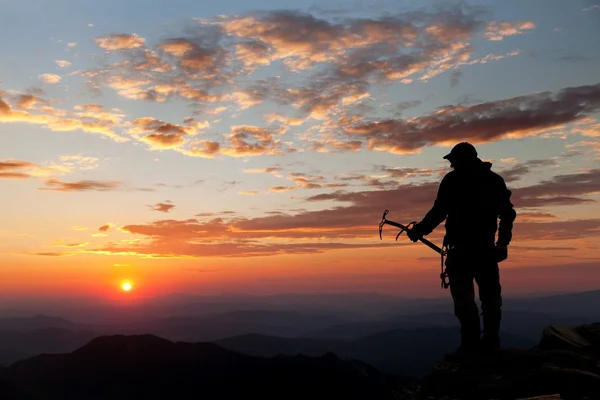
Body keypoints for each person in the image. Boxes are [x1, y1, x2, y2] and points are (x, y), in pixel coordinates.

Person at [407, 142, 516, 353]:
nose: (451, 166)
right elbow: (507, 214)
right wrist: (502, 243)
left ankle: (471, 345)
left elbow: (439, 211)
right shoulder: (493, 180)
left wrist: (419, 231)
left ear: (460, 160)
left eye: (453, 161)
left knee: (465, 301)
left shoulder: (453, 181)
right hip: (485, 251)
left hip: (461, 252)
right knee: (490, 300)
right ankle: (489, 343)